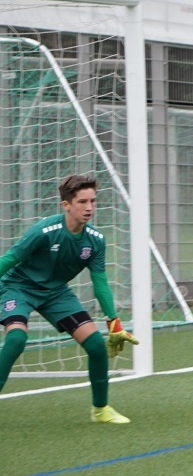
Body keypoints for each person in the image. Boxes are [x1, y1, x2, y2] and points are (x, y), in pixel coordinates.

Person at [0, 175, 139, 423]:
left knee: (96, 345)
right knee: (17, 338)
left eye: (93, 201)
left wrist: (113, 322)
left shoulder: (95, 240)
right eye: (82, 202)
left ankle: (101, 410)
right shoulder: (44, 231)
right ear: (66, 205)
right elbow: (10, 259)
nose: (89, 208)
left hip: (56, 293)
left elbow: (100, 282)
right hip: (18, 287)